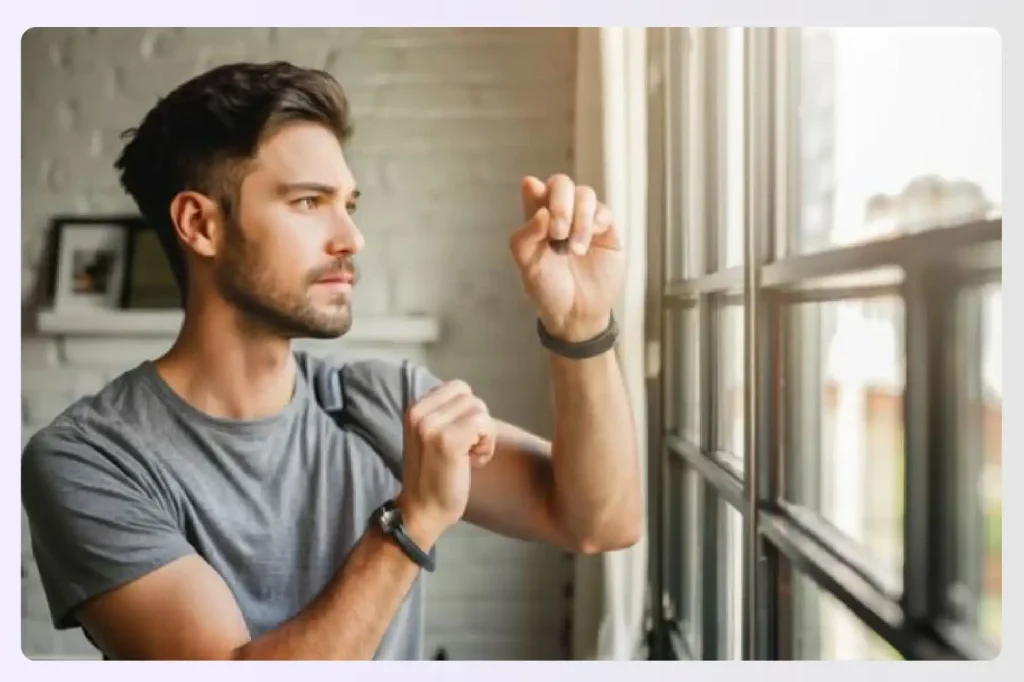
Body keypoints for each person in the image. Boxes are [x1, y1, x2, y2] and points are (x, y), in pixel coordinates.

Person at [21, 61, 642, 661]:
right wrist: (412, 520)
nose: (351, 237)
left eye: (350, 203)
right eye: (309, 202)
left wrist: (580, 325)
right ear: (199, 225)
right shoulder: (89, 459)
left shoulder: (380, 402)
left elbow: (599, 522)